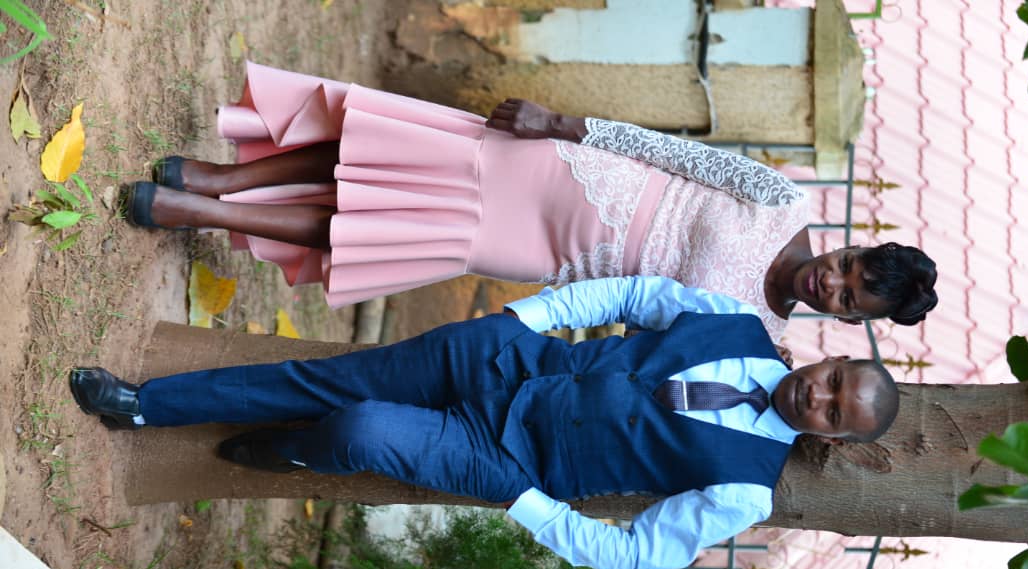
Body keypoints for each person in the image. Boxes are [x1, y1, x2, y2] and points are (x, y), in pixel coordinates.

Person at [70, 277, 899, 569]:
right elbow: (633, 294)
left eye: (834, 413)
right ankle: (144, 403)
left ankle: (287, 450)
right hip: (504, 359)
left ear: (834, 438)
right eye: (833, 380)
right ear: (831, 356)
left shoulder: (748, 489)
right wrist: (527, 317)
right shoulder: (737, 324)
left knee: (360, 430)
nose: (817, 396)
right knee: (332, 380)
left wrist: (526, 501)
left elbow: (633, 556)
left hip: (508, 458)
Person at [124, 62, 938, 340]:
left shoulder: (759, 334)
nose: (832, 283)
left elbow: (644, 327)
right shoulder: (784, 202)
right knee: (393, 151)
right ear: (850, 247)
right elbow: (680, 155)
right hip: (579, 175)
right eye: (849, 267)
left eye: (849, 299)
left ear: (849, 321)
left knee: (388, 228)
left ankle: (204, 215)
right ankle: (220, 179)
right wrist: (564, 126)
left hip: (560, 257)